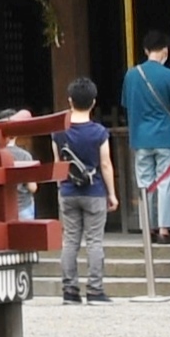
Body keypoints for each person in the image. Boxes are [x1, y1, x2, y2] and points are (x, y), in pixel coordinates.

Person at [121, 38, 170, 244]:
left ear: (145, 50)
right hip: (165, 136)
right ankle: (164, 229)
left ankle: (147, 227)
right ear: (165, 50)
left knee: (144, 184)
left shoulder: (131, 75)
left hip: (140, 137)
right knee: (164, 183)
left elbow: (126, 103)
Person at [57, 101, 115, 304]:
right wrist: (112, 194)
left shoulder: (59, 132)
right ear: (93, 102)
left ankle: (70, 290)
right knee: (94, 241)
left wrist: (61, 186)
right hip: (94, 190)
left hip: (67, 190)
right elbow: (105, 164)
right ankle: (95, 290)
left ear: (70, 101)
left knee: (70, 241)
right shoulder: (99, 132)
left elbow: (58, 164)